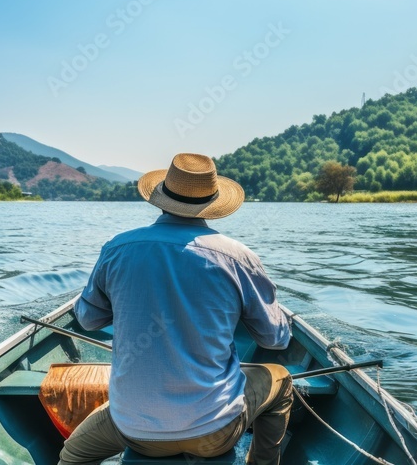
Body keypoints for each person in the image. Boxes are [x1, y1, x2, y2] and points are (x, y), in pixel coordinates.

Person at [59, 153, 293, 465]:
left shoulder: (117, 248)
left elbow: (88, 320)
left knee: (72, 456)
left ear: (160, 199)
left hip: (133, 431)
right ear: (212, 203)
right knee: (281, 380)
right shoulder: (238, 257)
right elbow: (275, 340)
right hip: (214, 431)